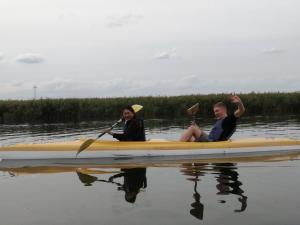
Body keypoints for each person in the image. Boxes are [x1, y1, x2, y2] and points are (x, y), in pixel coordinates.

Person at [180, 94, 245, 142]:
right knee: (189, 134)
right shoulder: (219, 121)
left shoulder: (229, 120)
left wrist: (239, 103)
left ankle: (176, 149)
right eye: (214, 111)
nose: (215, 113)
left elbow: (241, 111)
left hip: (214, 143)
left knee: (192, 128)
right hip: (210, 141)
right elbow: (210, 137)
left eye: (217, 111)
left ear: (224, 110)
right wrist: (198, 128)